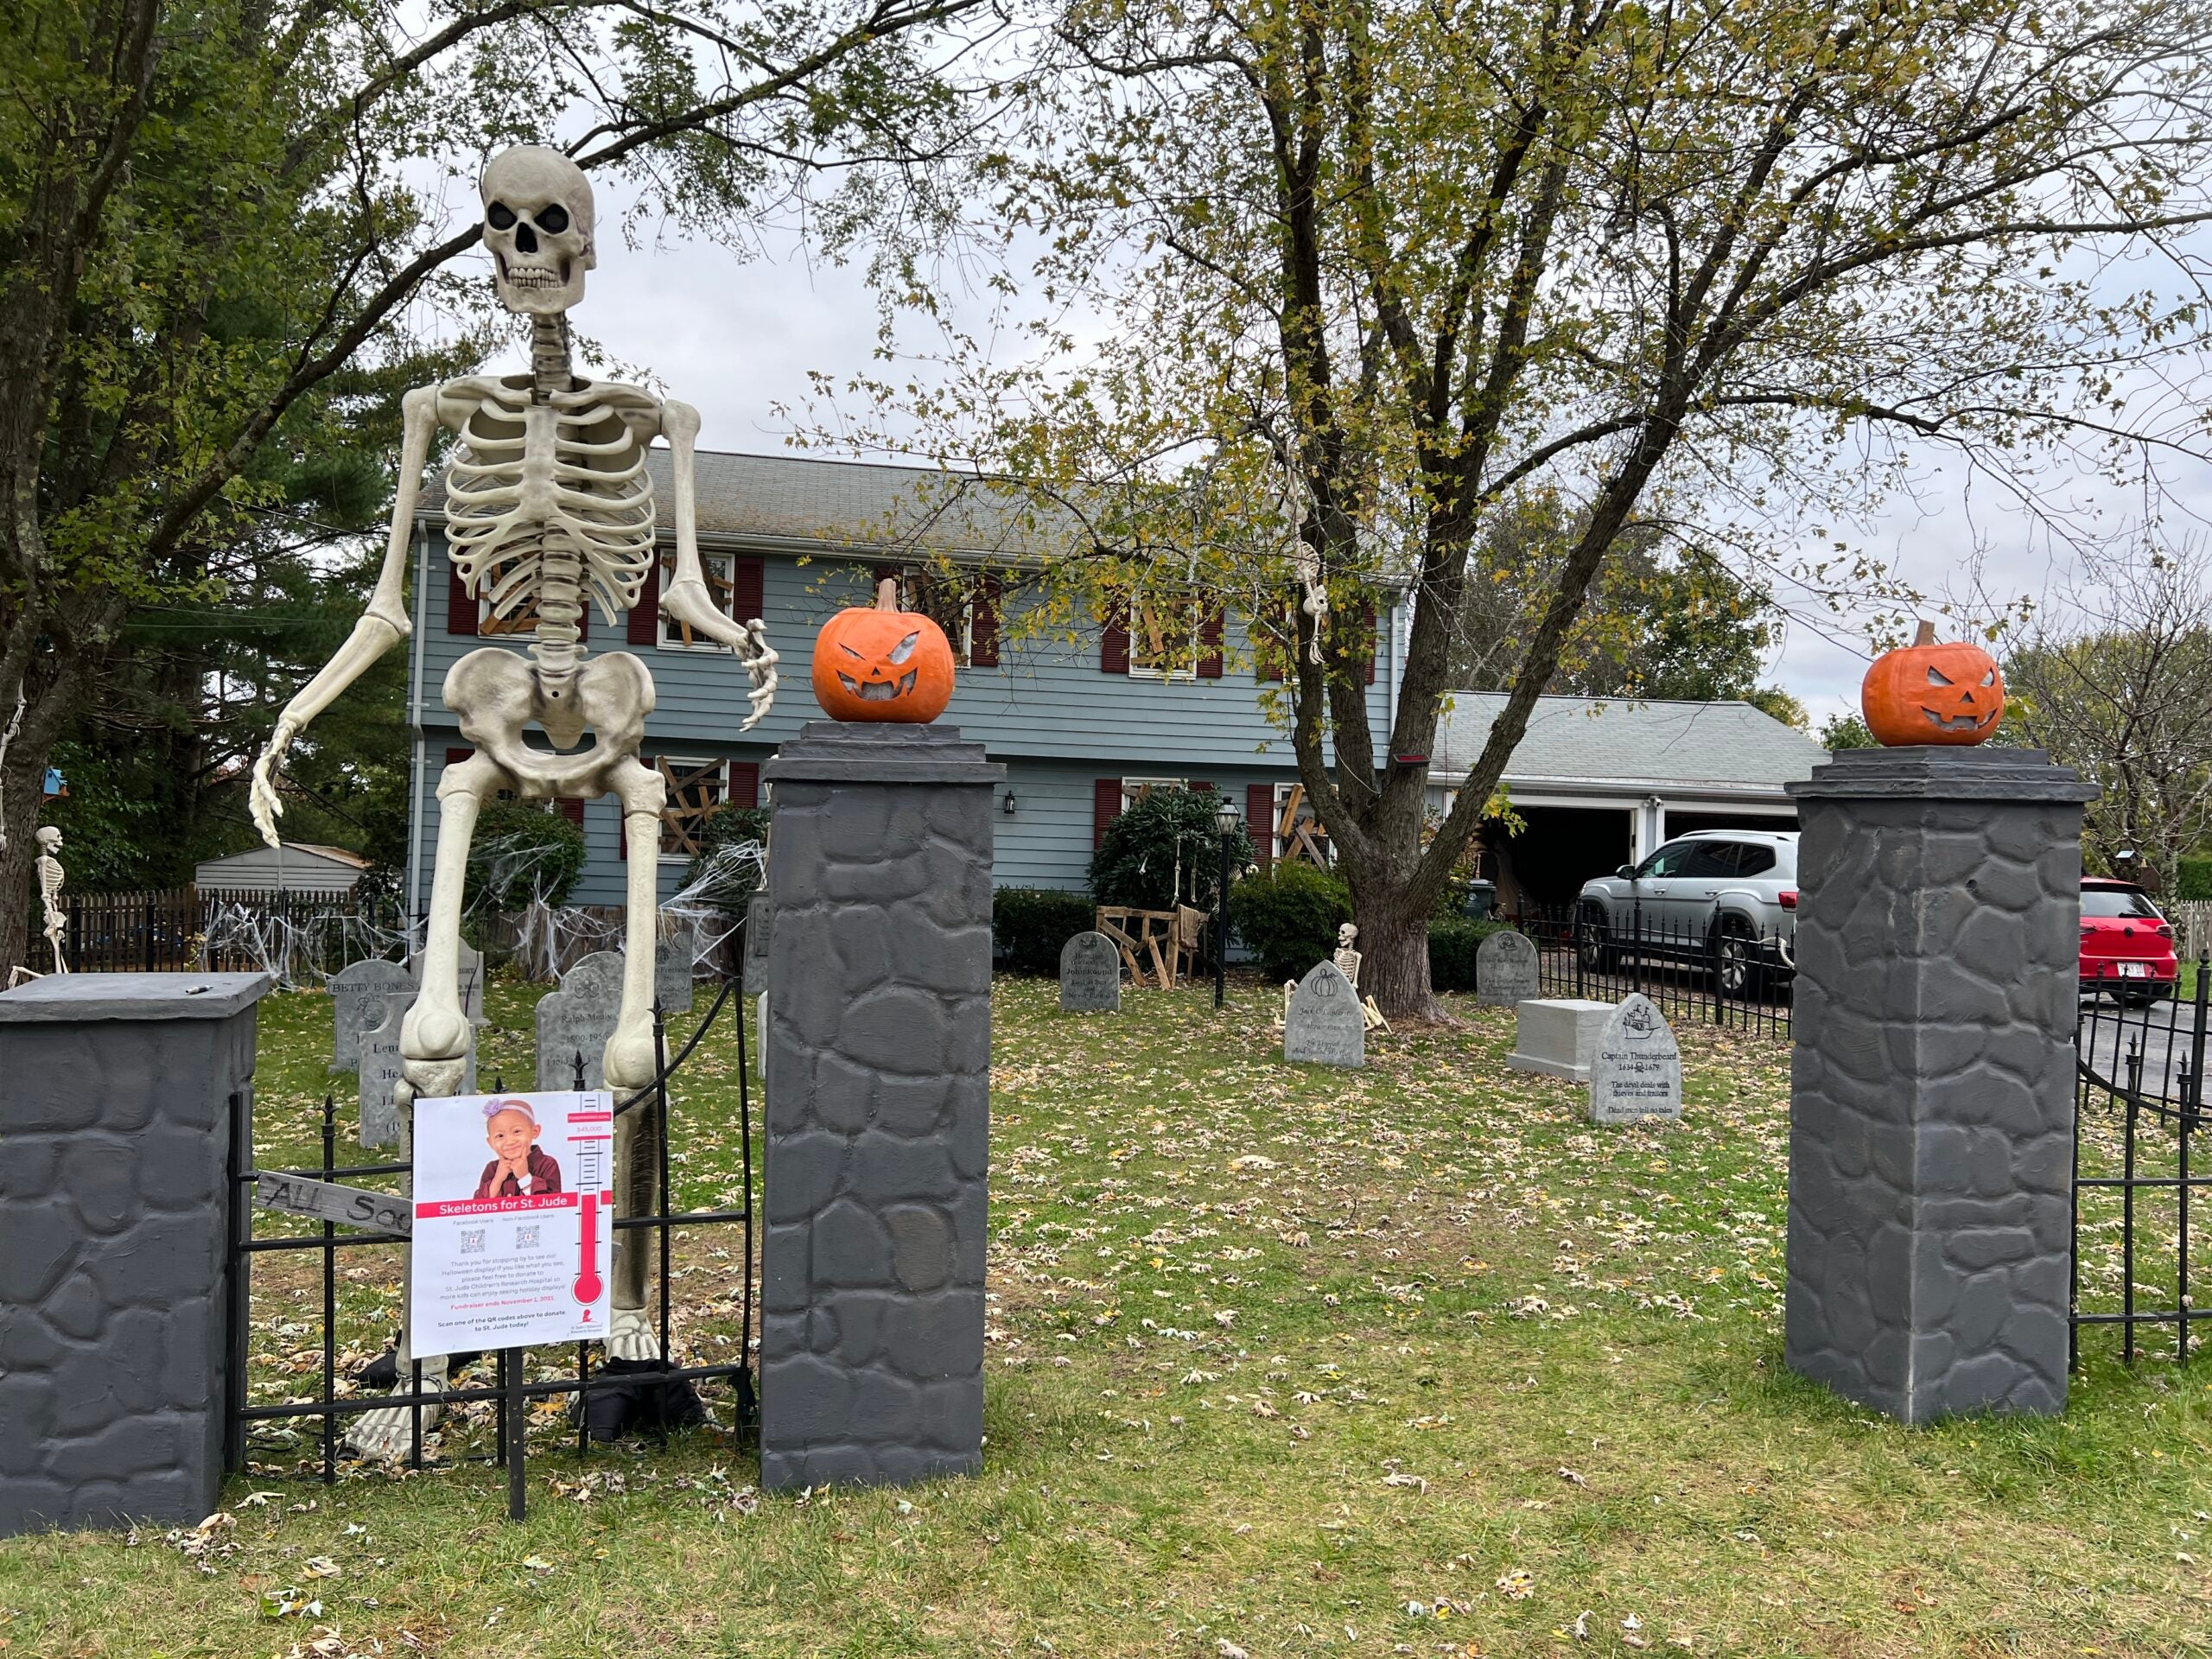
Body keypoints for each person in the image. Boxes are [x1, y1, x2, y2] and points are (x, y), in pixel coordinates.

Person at [473, 1099, 563, 1199]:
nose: (510, 1141)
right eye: (500, 1136)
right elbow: (478, 1208)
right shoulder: (492, 1169)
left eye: (517, 1131)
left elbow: (553, 1206)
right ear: (491, 1143)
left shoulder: (547, 1164)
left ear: (534, 1131)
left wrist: (524, 1177)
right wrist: (497, 1180)